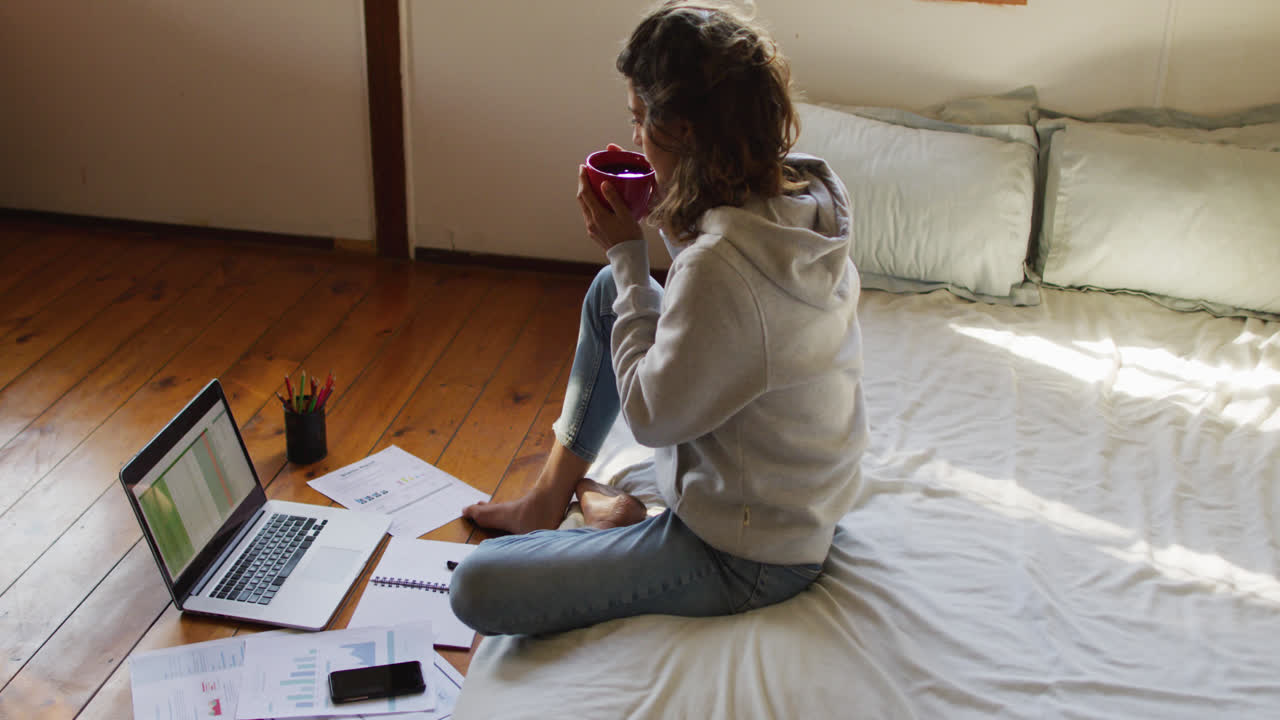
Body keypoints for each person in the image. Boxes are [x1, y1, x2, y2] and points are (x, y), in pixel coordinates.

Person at [449, 0, 867, 637]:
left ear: (689, 133)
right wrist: (655, 218)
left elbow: (649, 414)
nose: (636, 137)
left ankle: (614, 518)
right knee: (605, 295)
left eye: (642, 120)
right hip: (794, 503)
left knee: (478, 584)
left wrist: (625, 251)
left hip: (747, 554)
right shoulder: (799, 199)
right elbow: (723, 298)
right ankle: (549, 499)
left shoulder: (723, 266)